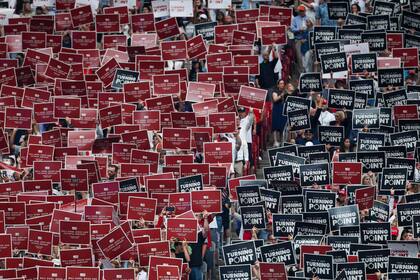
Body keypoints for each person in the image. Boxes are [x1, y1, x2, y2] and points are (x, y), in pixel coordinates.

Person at [271, 80, 288, 147]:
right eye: (281, 83)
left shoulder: (285, 92)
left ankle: (282, 141)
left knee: (282, 125)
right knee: (275, 125)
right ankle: (275, 141)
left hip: (283, 109)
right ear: (278, 85)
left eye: (283, 83)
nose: (282, 85)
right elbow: (275, 99)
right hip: (277, 108)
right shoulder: (275, 91)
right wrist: (281, 95)